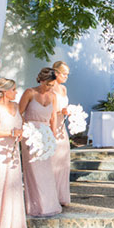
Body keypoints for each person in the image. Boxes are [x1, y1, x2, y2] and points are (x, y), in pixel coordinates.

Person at [0, 78, 27, 228]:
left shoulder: (16, 106)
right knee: (2, 183)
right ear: (4, 91)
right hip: (0, 149)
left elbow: (22, 124)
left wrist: (22, 133)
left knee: (14, 184)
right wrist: (11, 133)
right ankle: (1, 225)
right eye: (13, 90)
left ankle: (15, 224)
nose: (16, 92)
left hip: (13, 149)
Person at [19, 68, 61, 216]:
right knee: (33, 170)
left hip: (46, 135)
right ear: (42, 80)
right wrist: (27, 130)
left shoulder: (53, 96)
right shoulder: (29, 93)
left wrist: (53, 135)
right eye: (48, 84)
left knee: (46, 170)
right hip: (31, 135)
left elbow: (53, 117)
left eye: (52, 85)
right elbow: (19, 113)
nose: (50, 87)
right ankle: (36, 206)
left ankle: (49, 205)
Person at [51, 60, 72, 206]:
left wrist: (68, 112)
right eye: (64, 74)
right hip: (52, 125)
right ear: (56, 73)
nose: (66, 77)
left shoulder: (63, 89)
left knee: (63, 160)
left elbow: (64, 107)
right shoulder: (50, 88)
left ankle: (61, 195)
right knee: (53, 160)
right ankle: (51, 194)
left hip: (61, 127)